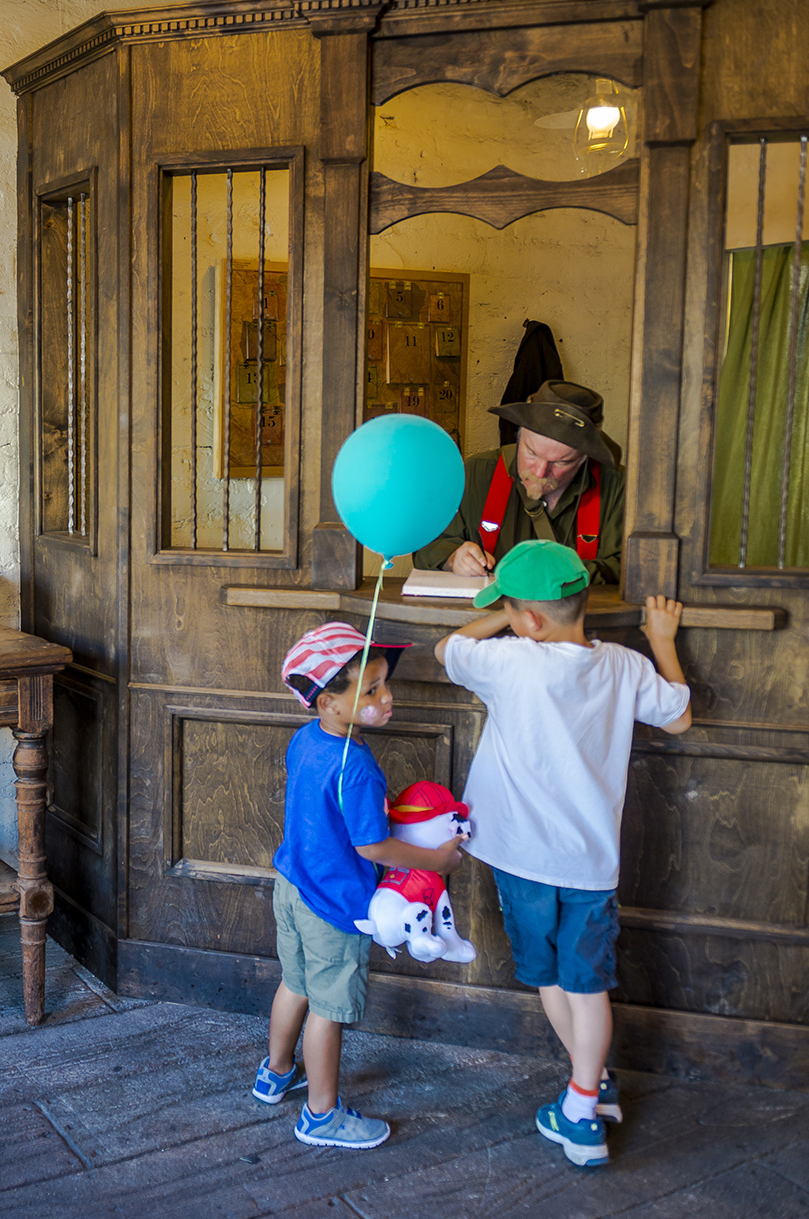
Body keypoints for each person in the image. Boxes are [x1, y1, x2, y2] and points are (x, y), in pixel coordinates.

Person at [432, 541, 691, 1167]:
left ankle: (583, 1109)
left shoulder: (510, 661)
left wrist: (503, 613)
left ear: (529, 620)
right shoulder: (626, 665)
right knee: (587, 984)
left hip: (520, 861)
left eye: (516, 612)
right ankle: (587, 1087)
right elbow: (679, 717)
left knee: (547, 976)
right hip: (590, 866)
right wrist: (661, 639)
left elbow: (446, 649)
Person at [256, 622, 463, 1149]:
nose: (386, 698)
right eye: (370, 691)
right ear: (328, 702)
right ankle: (321, 1115)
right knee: (328, 1006)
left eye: (384, 684)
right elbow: (372, 848)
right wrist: (436, 860)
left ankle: (276, 1072)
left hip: (292, 887)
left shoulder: (306, 740)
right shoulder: (360, 769)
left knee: (295, 983)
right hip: (334, 906)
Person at [414, 380, 626, 585]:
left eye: (561, 462)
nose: (541, 471)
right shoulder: (477, 473)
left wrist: (562, 571)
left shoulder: (618, 487)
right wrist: (453, 558)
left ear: (584, 458)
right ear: (519, 435)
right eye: (531, 453)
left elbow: (631, 568)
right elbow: (426, 545)